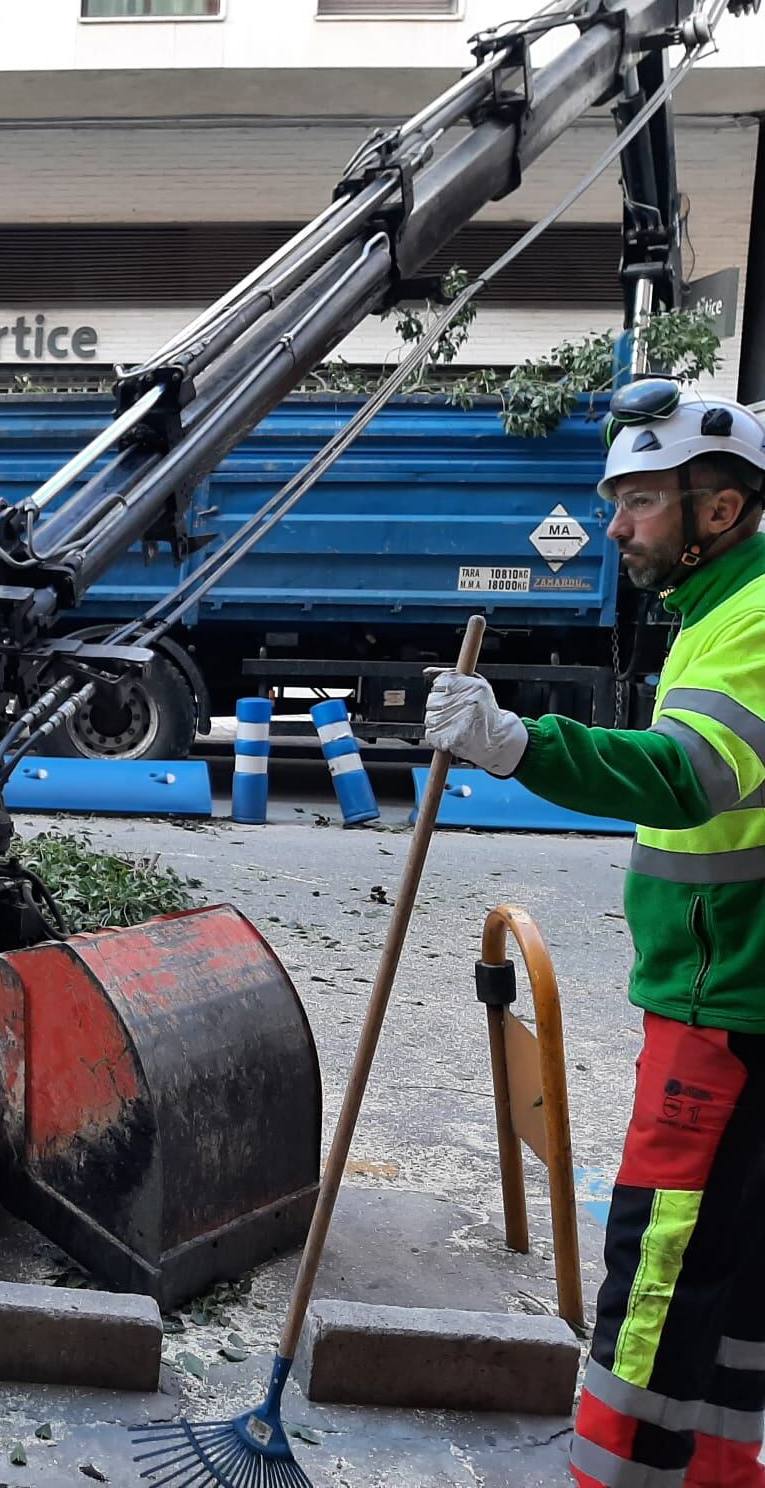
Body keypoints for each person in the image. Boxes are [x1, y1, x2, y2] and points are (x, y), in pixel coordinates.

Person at [425, 379, 765, 1487]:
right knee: (730, 1279)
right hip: (735, 992)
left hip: (731, 1005)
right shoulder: (724, 605)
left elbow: (687, 777)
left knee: (659, 1270)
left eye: (641, 501)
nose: (614, 525)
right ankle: (716, 1472)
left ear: (719, 511)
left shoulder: (755, 618)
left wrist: (521, 744)